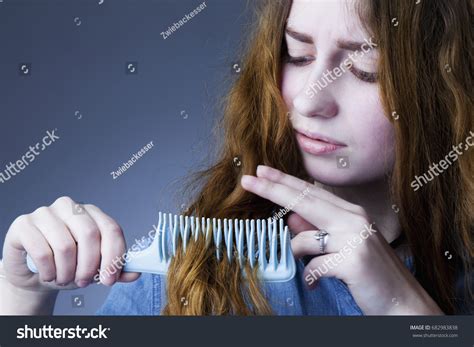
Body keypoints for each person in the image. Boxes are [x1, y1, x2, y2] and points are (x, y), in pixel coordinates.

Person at [1, 0, 472, 316]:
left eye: (366, 70)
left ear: (446, 88)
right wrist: (22, 299)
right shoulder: (191, 276)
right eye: (298, 54)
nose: (310, 101)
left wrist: (403, 311)